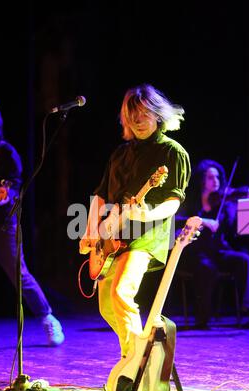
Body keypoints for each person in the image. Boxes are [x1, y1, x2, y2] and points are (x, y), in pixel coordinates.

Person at [79, 83, 191, 357]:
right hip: (111, 238)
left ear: (157, 114)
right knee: (106, 306)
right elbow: (100, 197)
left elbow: (173, 201)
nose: (139, 121)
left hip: (145, 236)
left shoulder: (172, 152)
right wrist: (90, 229)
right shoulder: (119, 154)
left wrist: (148, 213)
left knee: (121, 292)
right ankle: (138, 353)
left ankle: (133, 363)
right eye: (133, 116)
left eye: (145, 113)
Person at [0, 100, 65, 353]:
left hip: (2, 225)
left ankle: (48, 319)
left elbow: (11, 189)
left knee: (19, 275)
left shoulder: (7, 154)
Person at [177, 159, 249, 329]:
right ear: (202, 180)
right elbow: (178, 220)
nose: (215, 181)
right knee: (205, 267)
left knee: (244, 260)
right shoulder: (192, 201)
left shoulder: (225, 202)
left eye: (217, 177)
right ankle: (202, 319)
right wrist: (204, 221)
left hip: (220, 251)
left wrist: (239, 203)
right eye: (210, 177)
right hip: (197, 252)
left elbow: (231, 229)